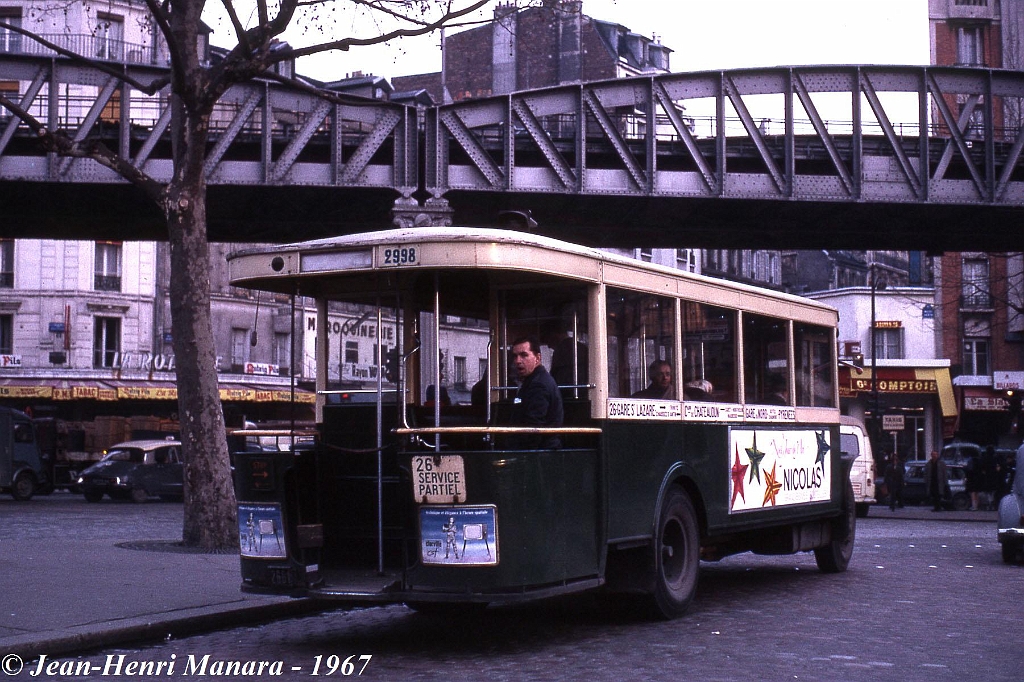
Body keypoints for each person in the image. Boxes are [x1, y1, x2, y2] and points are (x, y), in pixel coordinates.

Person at [507, 336, 563, 449]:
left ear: (537, 358)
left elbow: (534, 426)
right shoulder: (535, 380)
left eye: (524, 355)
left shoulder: (538, 385)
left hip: (540, 453)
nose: (518, 361)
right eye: (515, 356)